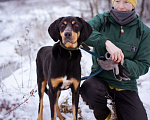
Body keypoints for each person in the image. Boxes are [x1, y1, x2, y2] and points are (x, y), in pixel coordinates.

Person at [80, 0, 150, 120]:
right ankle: (104, 115)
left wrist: (121, 63)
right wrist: (106, 43)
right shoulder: (102, 20)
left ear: (134, 5)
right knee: (89, 89)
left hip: (126, 85)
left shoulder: (144, 32)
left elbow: (143, 66)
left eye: (126, 2)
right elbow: (83, 31)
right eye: (117, 1)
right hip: (100, 79)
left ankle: (119, 108)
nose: (121, 7)